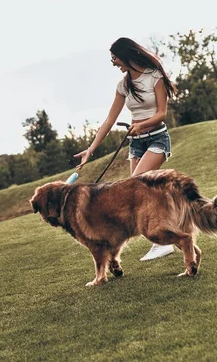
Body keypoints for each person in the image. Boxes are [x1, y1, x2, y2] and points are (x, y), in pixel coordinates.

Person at [74, 37, 177, 261]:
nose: (114, 63)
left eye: (115, 59)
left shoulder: (154, 77)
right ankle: (163, 236)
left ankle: (164, 241)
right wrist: (90, 150)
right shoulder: (123, 85)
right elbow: (110, 120)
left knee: (138, 185)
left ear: (126, 55)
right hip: (136, 144)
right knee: (138, 194)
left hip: (157, 138)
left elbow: (161, 114)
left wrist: (141, 124)